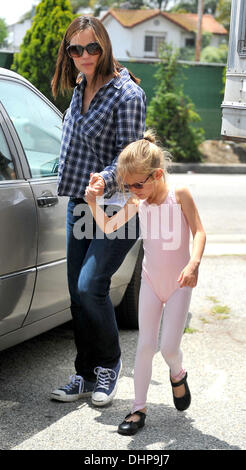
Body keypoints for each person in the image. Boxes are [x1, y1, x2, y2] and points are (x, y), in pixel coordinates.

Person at [50, 15, 146, 406]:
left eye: (92, 47)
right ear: (68, 52)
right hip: (81, 203)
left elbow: (131, 158)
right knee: (78, 293)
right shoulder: (79, 85)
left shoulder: (126, 95)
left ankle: (109, 364)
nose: (84, 55)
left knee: (92, 285)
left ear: (104, 46)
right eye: (77, 49)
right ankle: (85, 374)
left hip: (118, 207)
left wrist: (105, 179)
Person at [85, 130, 206, 434]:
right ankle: (137, 410)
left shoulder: (181, 195)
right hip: (151, 280)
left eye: (139, 185)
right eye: (129, 186)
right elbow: (109, 226)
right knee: (144, 345)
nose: (134, 191)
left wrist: (193, 264)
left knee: (168, 348)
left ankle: (177, 373)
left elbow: (200, 233)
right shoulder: (138, 203)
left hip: (179, 282)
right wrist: (92, 203)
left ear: (158, 175)